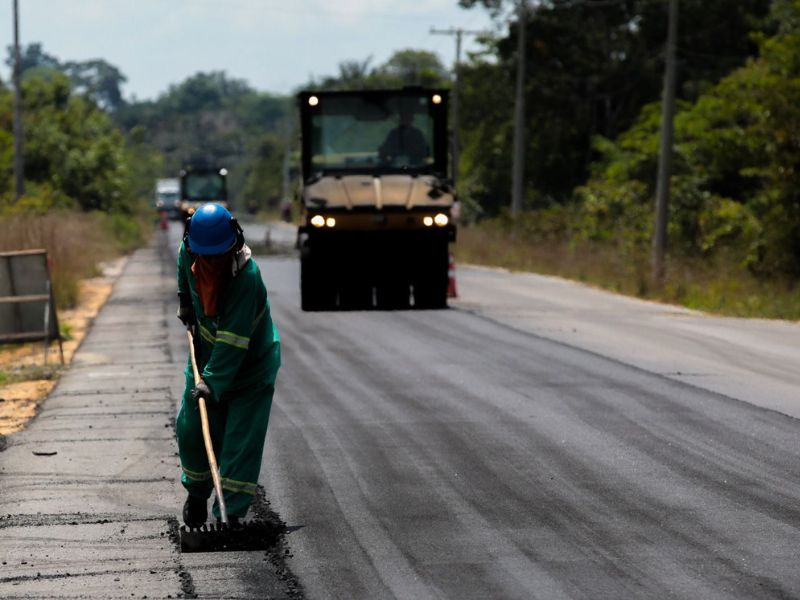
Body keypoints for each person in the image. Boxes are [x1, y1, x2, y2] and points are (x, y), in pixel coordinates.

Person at [175, 203, 281, 526]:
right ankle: (196, 494)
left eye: (218, 256)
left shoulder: (245, 277)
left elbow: (233, 341)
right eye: (204, 256)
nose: (211, 262)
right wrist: (184, 299)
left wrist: (211, 382)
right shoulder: (190, 251)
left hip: (250, 368)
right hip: (206, 357)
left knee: (240, 440)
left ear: (233, 246)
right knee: (193, 428)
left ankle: (230, 515)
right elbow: (183, 267)